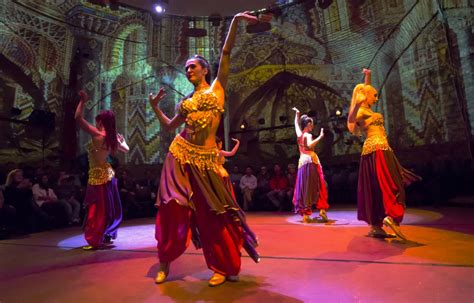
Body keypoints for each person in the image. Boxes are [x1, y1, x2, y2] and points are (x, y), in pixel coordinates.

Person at [150, 11, 268, 287]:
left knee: (215, 214)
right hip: (179, 155)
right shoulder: (186, 103)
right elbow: (169, 127)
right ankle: (165, 262)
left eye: (193, 67)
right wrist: (156, 107)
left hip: (206, 161)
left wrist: (236, 21)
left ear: (205, 70)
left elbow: (225, 53)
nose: (188, 70)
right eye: (187, 67)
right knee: (173, 208)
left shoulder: (217, 90)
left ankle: (222, 265)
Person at [347, 68, 421, 239]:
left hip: (379, 150)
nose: (376, 97)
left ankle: (376, 226)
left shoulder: (368, 110)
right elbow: (351, 120)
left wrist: (367, 76)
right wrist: (358, 102)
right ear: (365, 97)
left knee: (376, 188)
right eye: (374, 95)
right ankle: (392, 217)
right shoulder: (360, 111)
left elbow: (367, 90)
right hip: (378, 150)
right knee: (392, 183)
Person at [75, 90, 129, 249]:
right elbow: (126, 149)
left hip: (98, 176)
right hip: (107, 175)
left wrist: (83, 101)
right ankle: (105, 234)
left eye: (98, 120)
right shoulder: (112, 137)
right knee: (108, 208)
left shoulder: (98, 134)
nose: (96, 123)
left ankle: (94, 239)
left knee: (97, 209)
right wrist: (122, 140)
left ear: (102, 121)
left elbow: (78, 118)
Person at [291, 108, 329, 223]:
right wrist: (320, 137)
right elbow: (309, 146)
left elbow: (295, 124)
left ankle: (306, 214)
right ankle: (321, 209)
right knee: (318, 185)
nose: (312, 126)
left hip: (302, 162)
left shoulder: (299, 134)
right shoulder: (307, 135)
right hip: (310, 161)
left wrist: (297, 114)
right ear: (308, 124)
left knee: (305, 188)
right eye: (311, 124)